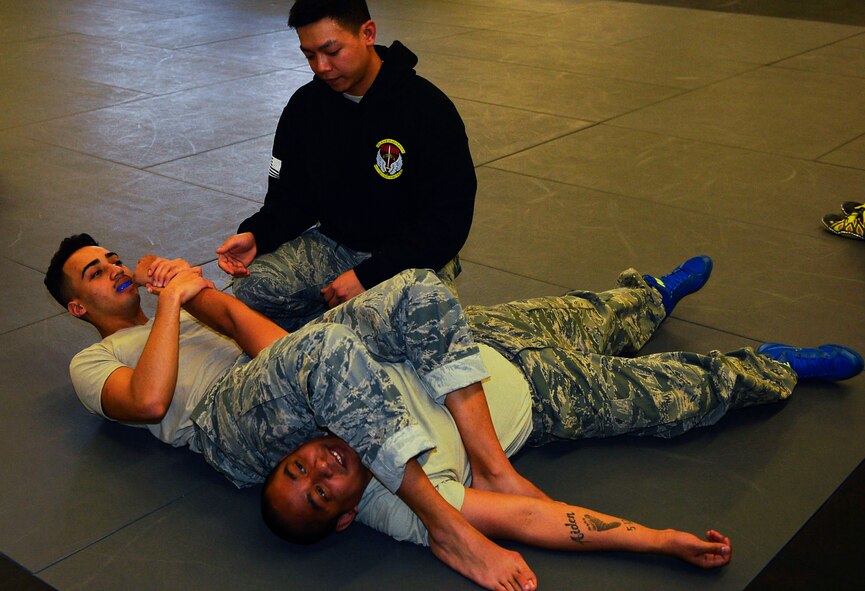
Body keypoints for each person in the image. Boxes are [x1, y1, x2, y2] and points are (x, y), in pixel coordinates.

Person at [260, 257, 864, 577]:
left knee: (595, 310)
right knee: (672, 392)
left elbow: (256, 343)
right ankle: (771, 367)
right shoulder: (401, 504)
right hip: (545, 395)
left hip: (480, 337)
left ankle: (654, 293)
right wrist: (657, 542)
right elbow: (526, 515)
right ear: (344, 518)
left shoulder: (324, 393)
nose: (320, 468)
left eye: (297, 468)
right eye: (320, 494)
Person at [45, 233, 554, 591]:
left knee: (417, 287)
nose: (114, 268)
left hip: (273, 386)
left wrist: (167, 279)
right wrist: (173, 303)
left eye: (114, 258)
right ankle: (447, 527)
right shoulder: (93, 360)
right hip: (223, 424)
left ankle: (493, 468)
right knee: (321, 348)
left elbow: (251, 330)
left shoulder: (174, 311)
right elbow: (148, 401)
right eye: (96, 271)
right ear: (77, 308)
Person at [216, 0, 476, 330]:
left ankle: (349, 325)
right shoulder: (305, 107)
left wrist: (369, 276)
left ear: (367, 33)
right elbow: (291, 200)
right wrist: (258, 234)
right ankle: (340, 329)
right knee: (253, 287)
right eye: (309, 55)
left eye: (332, 51)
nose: (321, 66)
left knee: (416, 318)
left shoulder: (427, 109)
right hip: (338, 248)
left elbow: (448, 223)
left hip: (414, 257)